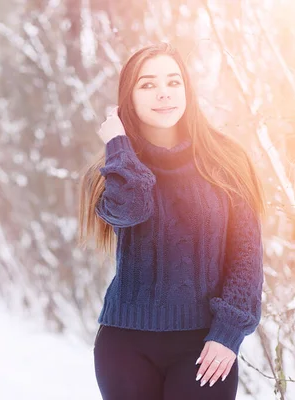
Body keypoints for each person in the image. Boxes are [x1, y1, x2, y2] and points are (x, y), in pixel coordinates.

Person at [77, 42, 265, 399]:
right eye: (147, 85)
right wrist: (119, 144)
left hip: (205, 346)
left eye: (173, 82)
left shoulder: (227, 161)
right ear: (127, 99)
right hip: (125, 345)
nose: (163, 94)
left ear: (187, 89)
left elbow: (246, 258)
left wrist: (228, 334)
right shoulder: (112, 171)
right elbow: (131, 208)